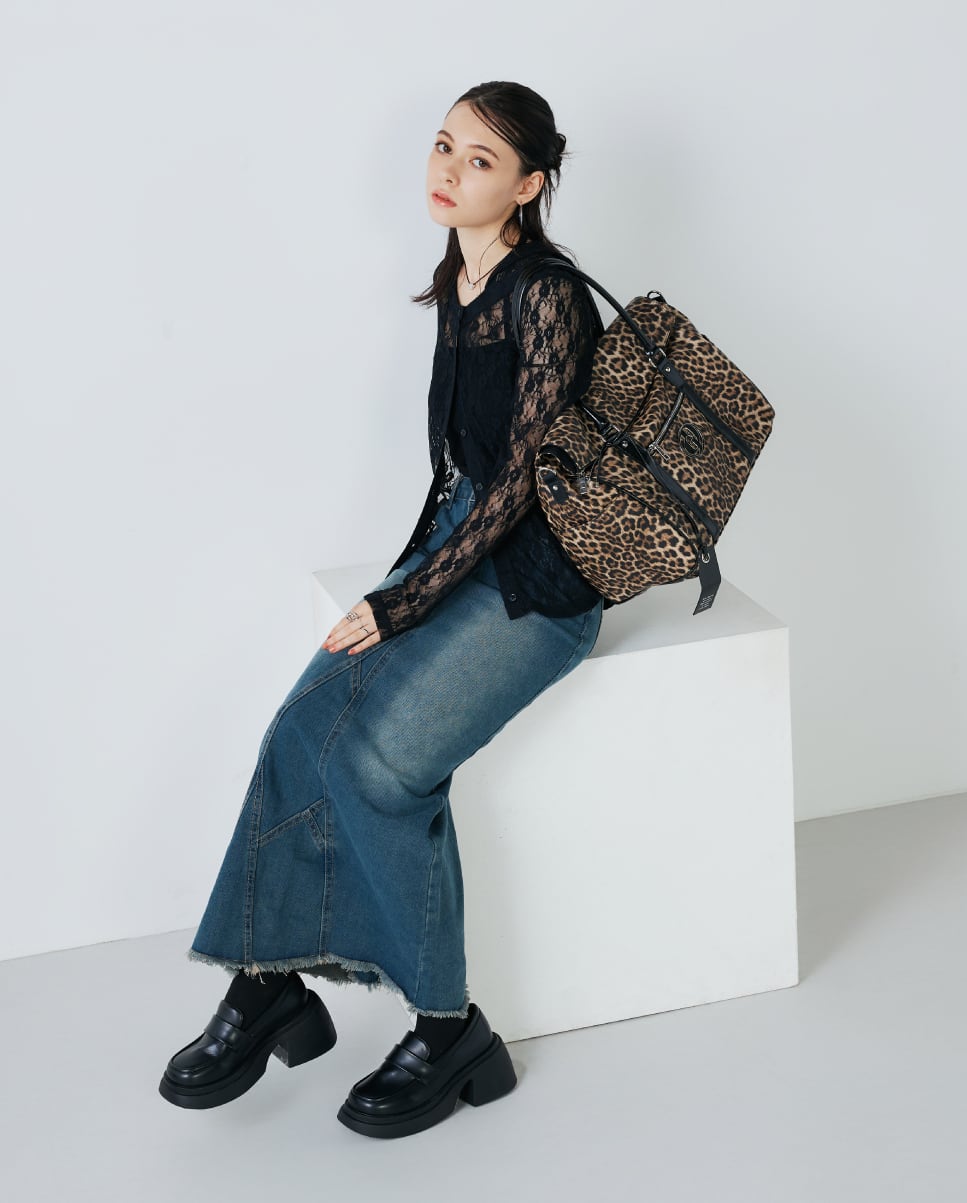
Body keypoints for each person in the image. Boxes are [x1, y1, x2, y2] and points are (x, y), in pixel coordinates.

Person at [158, 80, 608, 1140]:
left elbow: (521, 486)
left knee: (380, 769)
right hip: (457, 546)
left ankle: (450, 1029)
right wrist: (415, 572)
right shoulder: (460, 276)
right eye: (444, 146)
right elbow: (460, 473)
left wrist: (403, 600)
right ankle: (268, 981)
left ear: (530, 185)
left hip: (537, 583)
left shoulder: (546, 295)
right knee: (295, 731)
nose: (449, 171)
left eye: (480, 160)